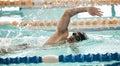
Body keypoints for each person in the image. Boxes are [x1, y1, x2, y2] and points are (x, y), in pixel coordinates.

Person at [0, 6, 103, 55]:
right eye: (74, 34)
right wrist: (86, 9)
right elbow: (67, 13)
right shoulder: (62, 34)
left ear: (79, 42)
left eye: (77, 37)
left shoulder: (69, 47)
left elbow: (76, 54)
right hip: (24, 48)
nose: (73, 36)